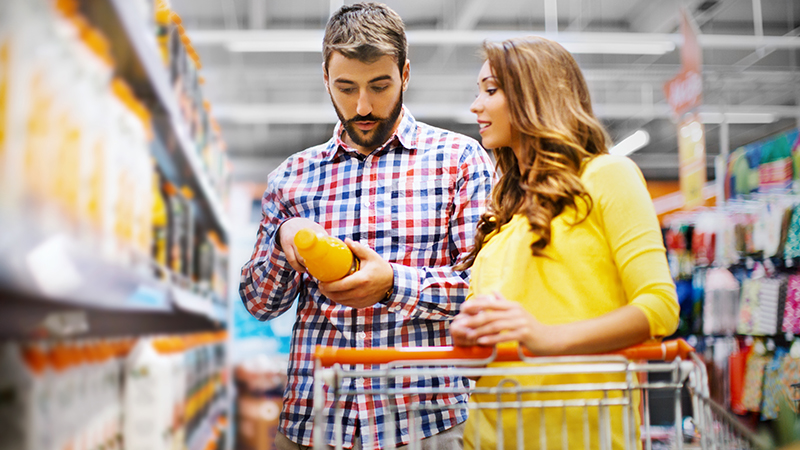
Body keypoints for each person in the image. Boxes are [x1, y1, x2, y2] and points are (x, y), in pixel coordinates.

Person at [239, 3, 495, 449]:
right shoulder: (291, 176)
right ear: (325, 79)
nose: (362, 106)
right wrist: (284, 238)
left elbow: (483, 290)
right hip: (313, 420)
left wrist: (394, 284)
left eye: (379, 86)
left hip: (424, 422)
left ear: (406, 74)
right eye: (345, 87)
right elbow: (260, 304)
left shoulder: (459, 160)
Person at [449, 36, 680, 449]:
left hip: (582, 432)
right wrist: (473, 341)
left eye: (491, 89)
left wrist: (546, 339)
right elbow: (497, 353)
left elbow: (659, 306)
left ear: (534, 94)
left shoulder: (607, 176)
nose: (475, 105)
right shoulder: (501, 216)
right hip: (491, 434)